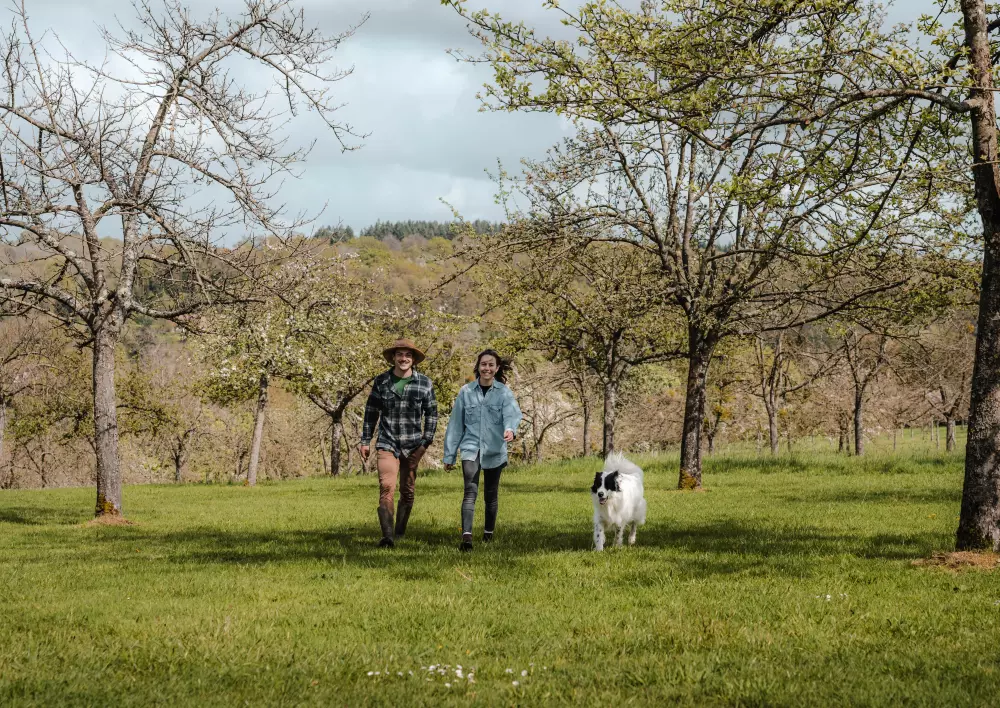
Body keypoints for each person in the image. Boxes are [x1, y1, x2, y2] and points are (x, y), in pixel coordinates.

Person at [360, 338, 438, 548]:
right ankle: (388, 537)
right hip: (388, 442)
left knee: (408, 491)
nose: (403, 358)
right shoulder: (382, 381)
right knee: (386, 486)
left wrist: (425, 442)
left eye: (408, 355)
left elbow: (432, 414)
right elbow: (371, 412)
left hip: (413, 445)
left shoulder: (424, 383)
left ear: (413, 360)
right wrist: (365, 440)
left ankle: (400, 531)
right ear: (393, 357)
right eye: (400, 354)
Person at [442, 349, 522, 552]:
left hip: (495, 448)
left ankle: (488, 533)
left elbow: (512, 414)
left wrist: (510, 429)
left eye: (491, 365)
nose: (487, 368)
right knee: (470, 491)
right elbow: (455, 425)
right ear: (478, 367)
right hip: (470, 448)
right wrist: (449, 455)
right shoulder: (466, 392)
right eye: (483, 364)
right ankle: (466, 537)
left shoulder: (503, 392)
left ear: (496, 369)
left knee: (491, 493)